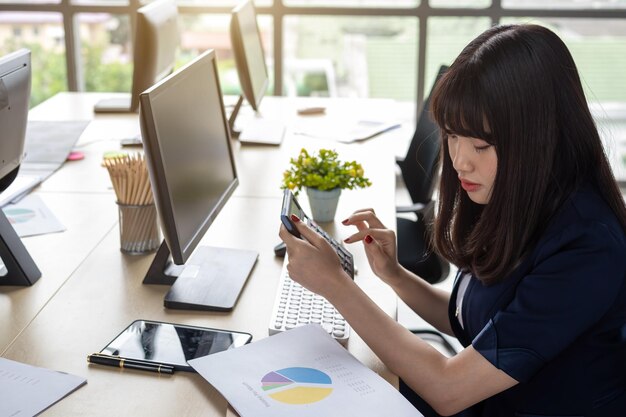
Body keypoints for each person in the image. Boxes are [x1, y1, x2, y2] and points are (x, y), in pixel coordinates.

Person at [278, 23, 626, 416]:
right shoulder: (520, 193)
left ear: (540, 138)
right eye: (452, 136)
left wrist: (336, 286)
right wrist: (394, 275)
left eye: (480, 144)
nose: (460, 160)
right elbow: (470, 319)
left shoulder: (587, 248)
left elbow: (448, 389)